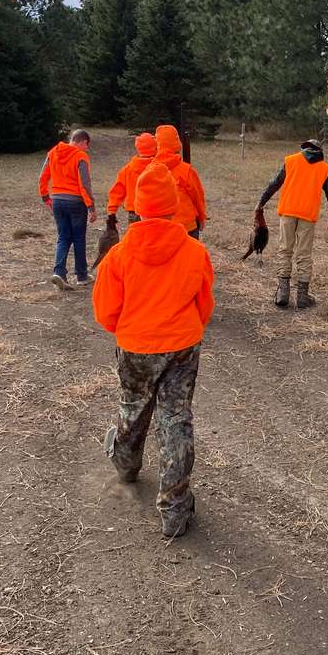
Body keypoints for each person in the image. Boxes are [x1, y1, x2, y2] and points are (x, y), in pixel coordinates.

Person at [93, 162, 214, 539]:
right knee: (175, 419)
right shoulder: (195, 252)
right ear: (173, 204)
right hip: (182, 347)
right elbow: (204, 306)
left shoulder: (119, 256)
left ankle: (126, 466)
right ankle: (175, 510)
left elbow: (105, 312)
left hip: (135, 347)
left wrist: (133, 333)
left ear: (138, 207)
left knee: (133, 408)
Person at [255, 138, 328, 310]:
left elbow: (274, 184)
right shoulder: (324, 168)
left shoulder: (291, 160)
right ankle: (302, 297)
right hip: (307, 216)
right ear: (319, 151)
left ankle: (282, 294)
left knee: (285, 250)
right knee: (304, 255)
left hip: (288, 212)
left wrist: (261, 203)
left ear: (304, 148)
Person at [38, 129, 97, 290]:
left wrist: (45, 196)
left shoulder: (52, 153)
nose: (87, 149)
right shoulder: (81, 156)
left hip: (57, 201)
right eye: (87, 146)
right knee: (78, 238)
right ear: (83, 142)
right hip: (76, 203)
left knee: (63, 237)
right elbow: (84, 185)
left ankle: (59, 273)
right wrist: (91, 207)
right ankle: (82, 275)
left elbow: (43, 176)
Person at [154, 125, 208, 239]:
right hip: (187, 227)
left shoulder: (149, 170)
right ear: (177, 144)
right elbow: (197, 196)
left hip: (161, 228)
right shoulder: (186, 170)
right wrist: (202, 218)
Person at [106, 132, 157, 230]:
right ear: (155, 147)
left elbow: (117, 191)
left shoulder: (128, 169)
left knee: (136, 242)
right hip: (154, 212)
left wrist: (112, 211)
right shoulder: (160, 167)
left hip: (134, 212)